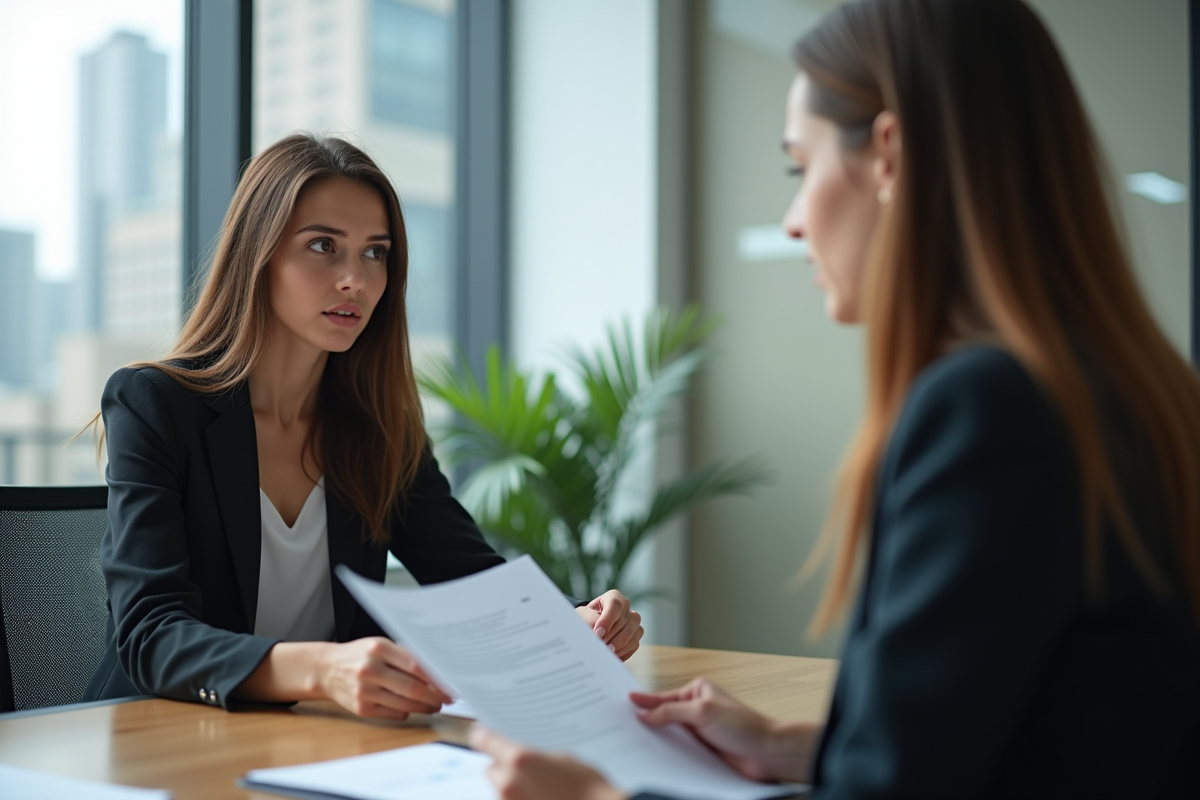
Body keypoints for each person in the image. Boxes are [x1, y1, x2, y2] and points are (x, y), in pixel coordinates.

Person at [470, 0, 1200, 797]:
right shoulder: (1123, 388)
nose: (792, 223)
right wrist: (792, 745)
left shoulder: (987, 409)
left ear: (888, 157)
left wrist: (597, 795)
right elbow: (1028, 735)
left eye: (799, 167)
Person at [82, 134, 643, 718]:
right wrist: (324, 669)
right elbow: (151, 633)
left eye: (376, 252)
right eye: (323, 245)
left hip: (318, 736)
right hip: (167, 732)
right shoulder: (155, 403)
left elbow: (473, 585)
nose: (355, 278)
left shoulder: (378, 428)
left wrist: (577, 621)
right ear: (258, 255)